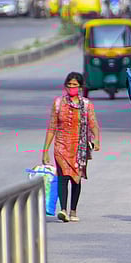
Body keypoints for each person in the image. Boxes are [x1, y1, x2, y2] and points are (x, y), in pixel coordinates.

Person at [42, 72, 100, 223]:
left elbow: (93, 124)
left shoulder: (86, 105)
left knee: (76, 179)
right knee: (63, 176)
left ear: (80, 87)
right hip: (61, 145)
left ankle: (73, 210)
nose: (72, 87)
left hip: (79, 147)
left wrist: (97, 140)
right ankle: (63, 209)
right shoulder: (58, 103)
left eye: (75, 85)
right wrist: (45, 150)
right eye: (69, 84)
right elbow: (52, 127)